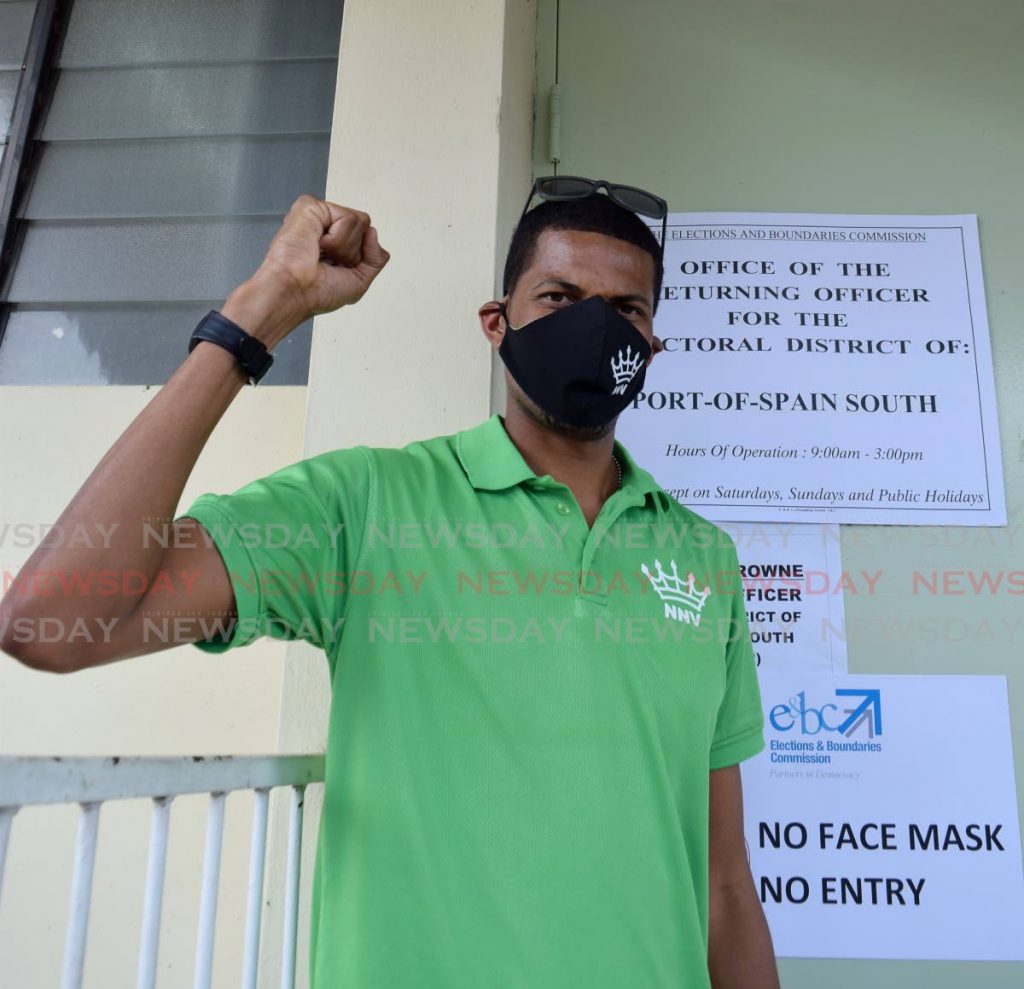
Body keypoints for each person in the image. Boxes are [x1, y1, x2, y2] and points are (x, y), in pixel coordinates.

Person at [0, 180, 779, 988]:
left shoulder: (703, 558)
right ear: (496, 323)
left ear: (652, 347)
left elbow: (725, 885)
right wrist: (259, 314)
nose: (593, 325)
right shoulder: (363, 507)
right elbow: (51, 623)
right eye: (559, 296)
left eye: (627, 309)